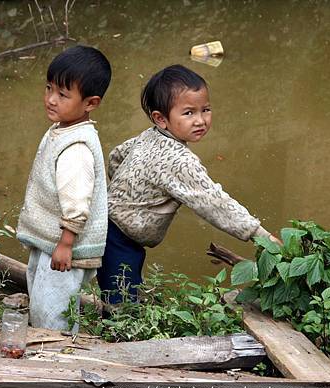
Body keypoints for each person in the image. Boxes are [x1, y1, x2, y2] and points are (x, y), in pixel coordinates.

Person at [97, 64, 279, 304]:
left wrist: (130, 189)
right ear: (161, 118)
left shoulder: (149, 135)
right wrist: (261, 236)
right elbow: (213, 202)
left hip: (108, 226)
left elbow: (116, 157)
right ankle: (118, 337)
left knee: (123, 292)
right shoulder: (179, 160)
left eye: (206, 110)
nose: (200, 120)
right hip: (119, 239)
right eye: (188, 113)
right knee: (123, 305)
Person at [16, 45, 111, 330]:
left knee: (53, 310)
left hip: (63, 247)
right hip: (51, 242)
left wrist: (66, 245)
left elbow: (77, 201)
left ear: (90, 103)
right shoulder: (63, 128)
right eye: (48, 89)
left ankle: (56, 357)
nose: (51, 100)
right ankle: (47, 344)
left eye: (62, 94)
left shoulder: (77, 148)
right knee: (42, 299)